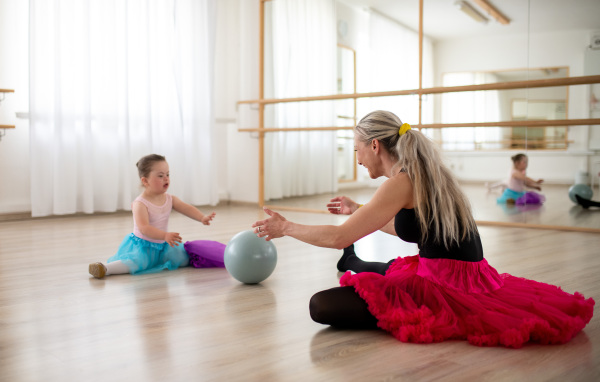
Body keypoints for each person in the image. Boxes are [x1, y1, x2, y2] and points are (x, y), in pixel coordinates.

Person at [252, 110, 594, 348]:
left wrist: (286, 227)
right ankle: (354, 264)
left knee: (320, 306)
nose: (355, 157)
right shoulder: (425, 173)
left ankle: (357, 267)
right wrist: (358, 210)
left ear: (374, 145)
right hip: (468, 274)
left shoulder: (400, 182)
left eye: (356, 148)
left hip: (447, 284)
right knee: (390, 272)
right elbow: (412, 231)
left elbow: (338, 237)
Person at [89, 154, 216, 278]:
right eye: (160, 176)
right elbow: (144, 228)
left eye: (168, 174)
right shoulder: (141, 203)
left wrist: (201, 217)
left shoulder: (169, 199)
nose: (166, 178)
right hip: (143, 246)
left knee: (182, 258)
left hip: (163, 246)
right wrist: (165, 235)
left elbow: (186, 208)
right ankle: (105, 268)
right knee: (136, 263)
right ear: (145, 181)